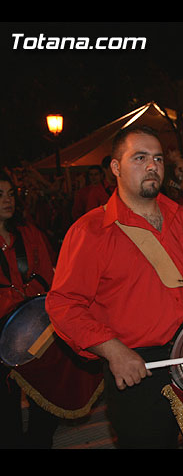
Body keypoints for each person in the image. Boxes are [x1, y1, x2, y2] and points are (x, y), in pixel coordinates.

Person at [45, 125, 183, 449]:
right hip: (136, 363)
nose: (152, 165)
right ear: (116, 167)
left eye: (157, 158)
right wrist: (112, 350)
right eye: (140, 158)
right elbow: (63, 304)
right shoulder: (90, 231)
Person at [0, 170, 58, 448]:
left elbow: (49, 277)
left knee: (47, 400)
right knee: (5, 408)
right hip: (1, 332)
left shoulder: (29, 232)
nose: (7, 201)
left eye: (10, 194)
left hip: (36, 328)